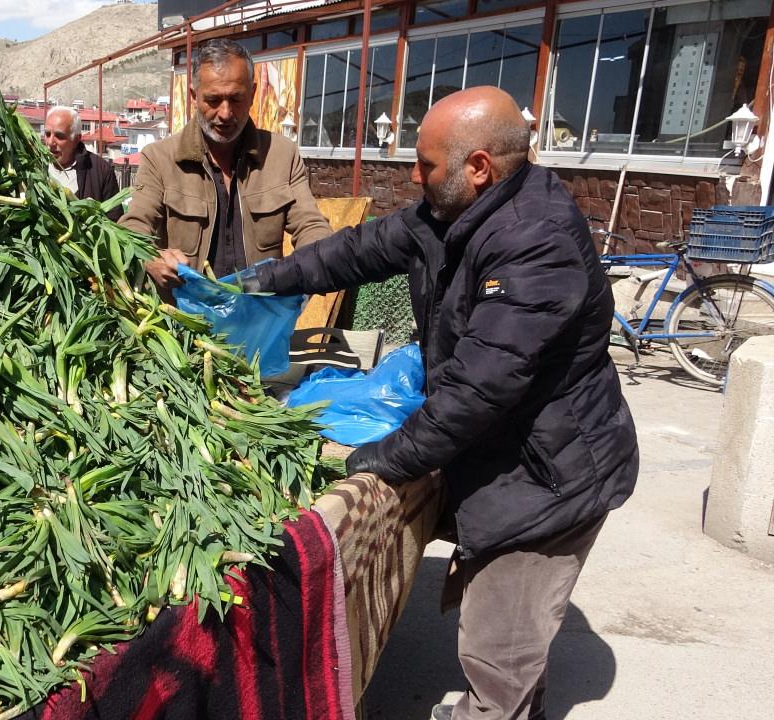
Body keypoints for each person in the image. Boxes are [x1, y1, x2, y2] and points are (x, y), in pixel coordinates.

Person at [243, 86, 639, 720]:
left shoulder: (538, 244)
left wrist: (374, 460)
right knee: (508, 651)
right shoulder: (448, 214)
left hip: (548, 480)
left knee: (498, 656)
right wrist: (252, 284)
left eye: (425, 163)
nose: (412, 174)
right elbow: (354, 251)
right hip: (508, 454)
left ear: (478, 167)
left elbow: (477, 392)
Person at [120, 39, 329, 293]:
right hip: (186, 323)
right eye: (214, 100)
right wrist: (150, 258)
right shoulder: (160, 159)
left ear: (252, 94)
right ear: (194, 96)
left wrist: (322, 257)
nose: (226, 113)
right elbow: (133, 228)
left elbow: (310, 225)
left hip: (259, 318)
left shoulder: (282, 156)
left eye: (236, 99)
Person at [42, 106, 121, 220]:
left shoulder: (100, 170)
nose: (50, 142)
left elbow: (114, 220)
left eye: (59, 136)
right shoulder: (35, 166)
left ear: (76, 139)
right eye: (47, 134)